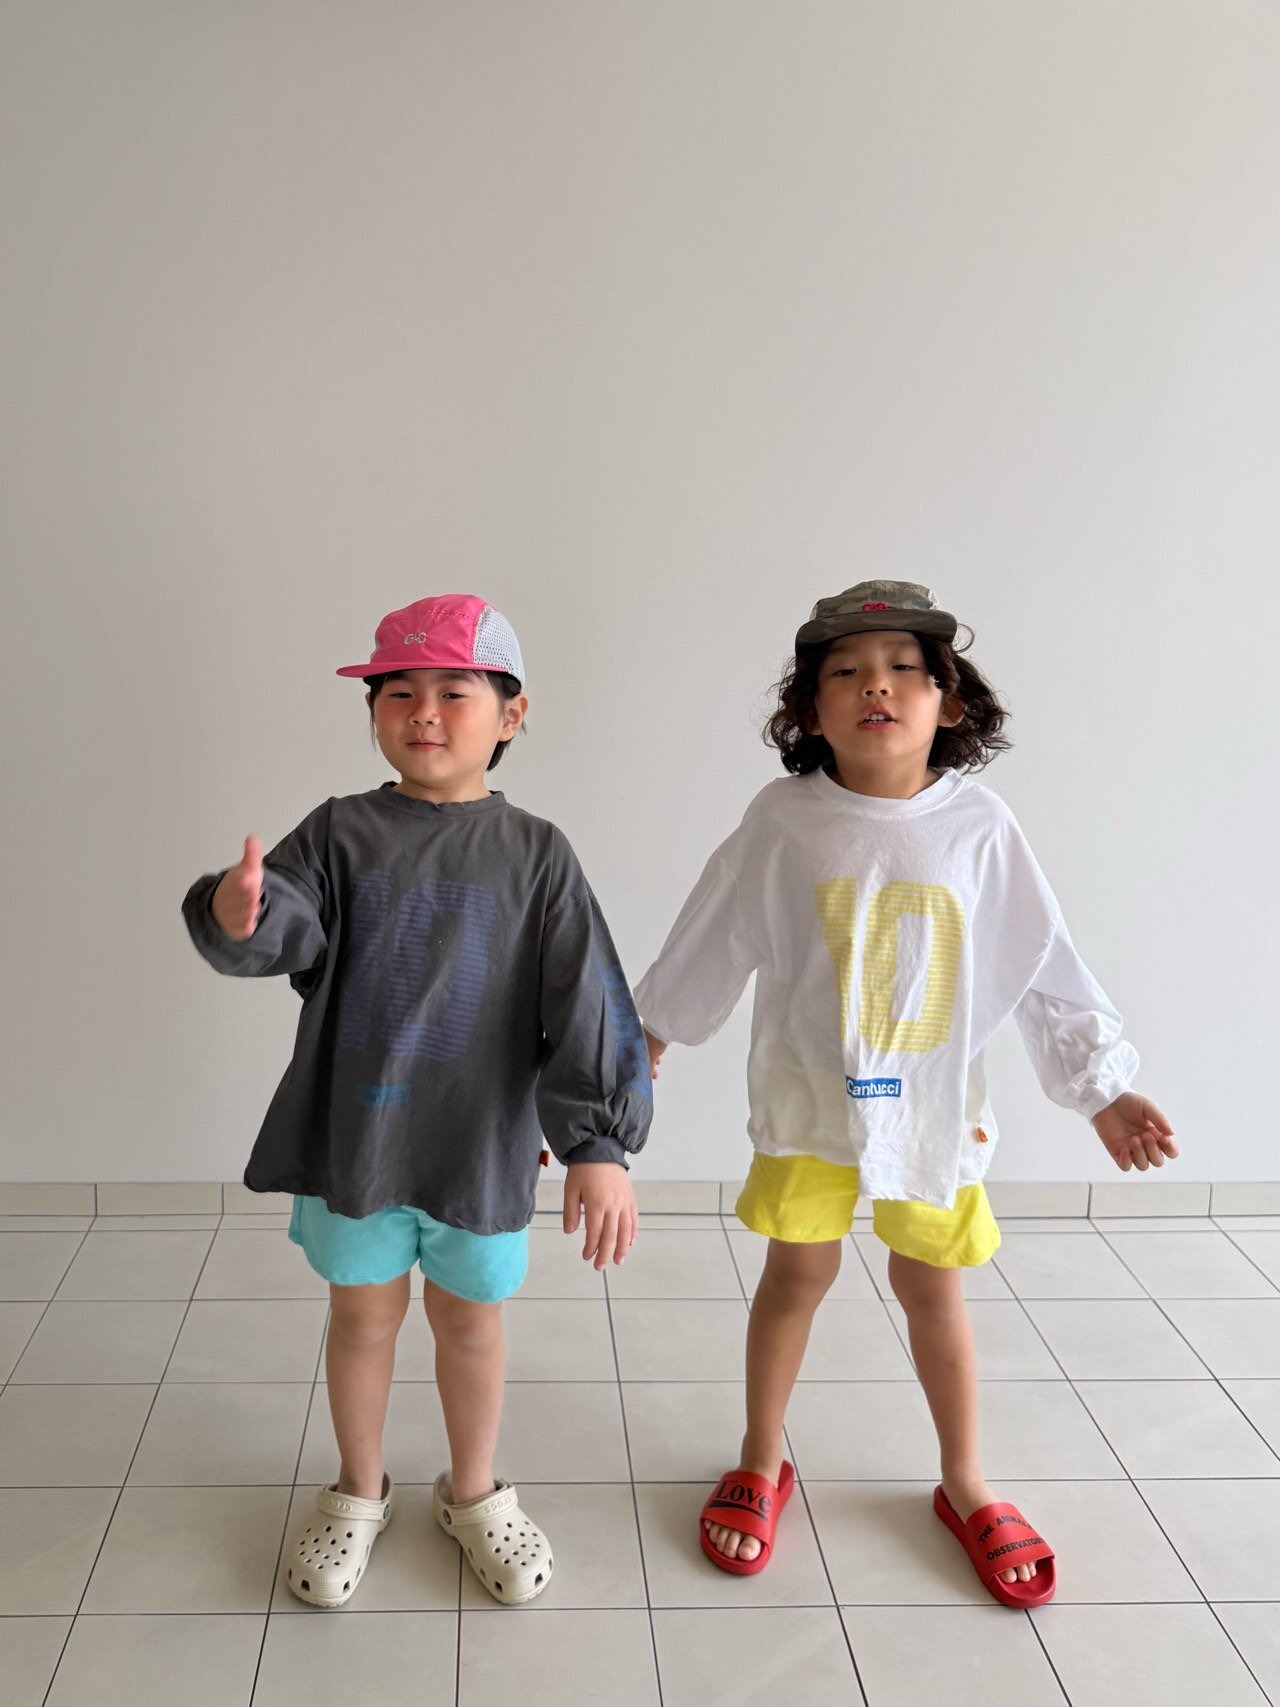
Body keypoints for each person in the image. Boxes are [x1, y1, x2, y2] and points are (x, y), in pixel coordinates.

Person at [634, 580, 1175, 1608]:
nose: (873, 687)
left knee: (933, 1287)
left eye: (900, 670)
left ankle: (964, 1478)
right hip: (808, 1104)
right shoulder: (782, 820)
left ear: (948, 701)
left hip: (932, 1111)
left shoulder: (978, 825)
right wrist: (645, 1036)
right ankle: (759, 1455)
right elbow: (712, 932)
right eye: (844, 671)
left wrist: (1101, 1088)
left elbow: (1040, 960)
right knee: (794, 1275)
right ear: (808, 710)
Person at [182, 593, 651, 1608]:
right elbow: (283, 919)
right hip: (357, 1139)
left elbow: (584, 996)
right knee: (361, 1318)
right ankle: (359, 1487)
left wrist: (598, 1144)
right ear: (374, 712)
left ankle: (472, 1491)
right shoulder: (339, 832)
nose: (423, 711)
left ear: (511, 713)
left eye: (452, 690)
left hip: (478, 1145)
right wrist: (237, 908)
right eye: (398, 692)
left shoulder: (537, 853)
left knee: (471, 1322)